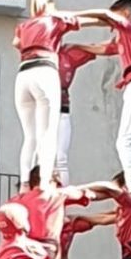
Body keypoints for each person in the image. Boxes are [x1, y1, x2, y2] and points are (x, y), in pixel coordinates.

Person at [78, 0, 131, 197]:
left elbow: (105, 16)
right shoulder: (127, 37)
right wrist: (77, 48)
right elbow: (103, 48)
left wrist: (75, 17)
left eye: (115, 19)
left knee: (124, 142)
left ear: (126, 14)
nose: (112, 27)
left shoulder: (129, 27)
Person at [14, 0, 84, 190]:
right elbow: (85, 19)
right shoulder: (53, 20)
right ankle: (45, 182)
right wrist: (106, 16)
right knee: (49, 133)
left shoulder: (25, 25)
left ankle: (26, 182)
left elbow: (16, 43)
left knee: (30, 136)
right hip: (44, 71)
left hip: (23, 74)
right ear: (49, 4)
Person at [54, 44, 98, 185]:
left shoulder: (68, 56)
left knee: (61, 158)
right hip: (45, 111)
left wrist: (76, 45)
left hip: (62, 110)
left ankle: (62, 191)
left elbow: (95, 50)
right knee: (45, 157)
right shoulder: (39, 54)